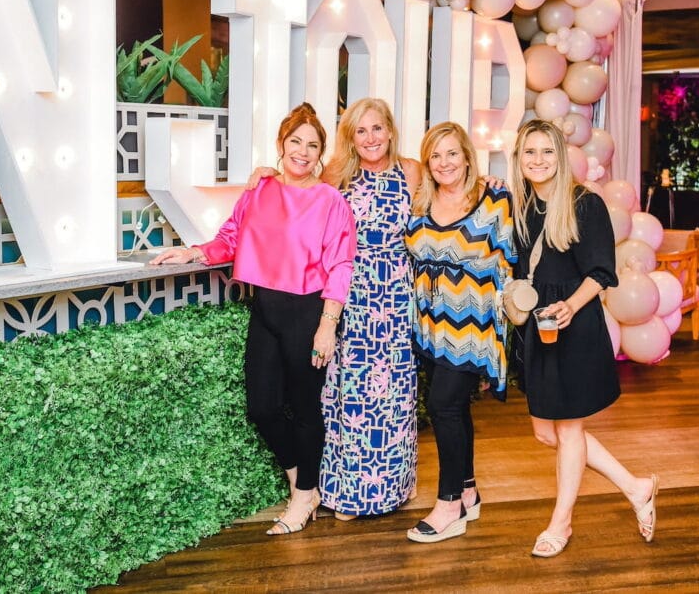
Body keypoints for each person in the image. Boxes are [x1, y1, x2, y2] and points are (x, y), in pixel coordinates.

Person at [149, 103, 356, 536]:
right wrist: (195, 252)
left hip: (307, 311)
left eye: (312, 145)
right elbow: (232, 237)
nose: (302, 151)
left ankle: (303, 495)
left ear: (321, 153)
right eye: (295, 141)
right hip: (264, 309)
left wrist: (327, 323)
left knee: (304, 409)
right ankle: (303, 483)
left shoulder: (330, 200)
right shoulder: (259, 190)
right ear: (282, 144)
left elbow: (341, 264)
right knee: (261, 407)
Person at [508, 118, 659, 558]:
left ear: (561, 155)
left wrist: (571, 306)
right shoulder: (520, 205)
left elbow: (601, 272)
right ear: (519, 157)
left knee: (570, 430)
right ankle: (636, 486)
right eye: (529, 152)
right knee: (545, 431)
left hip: (572, 325)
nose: (538, 161)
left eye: (547, 152)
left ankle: (561, 523)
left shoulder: (583, 204)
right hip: (537, 327)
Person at [403, 121, 515, 543]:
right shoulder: (421, 201)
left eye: (452, 153)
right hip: (431, 324)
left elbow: (509, 262)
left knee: (443, 405)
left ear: (468, 156)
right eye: (435, 155)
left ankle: (448, 503)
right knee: (455, 409)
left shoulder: (494, 197)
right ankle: (468, 491)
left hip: (474, 322)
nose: (444, 162)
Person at [316, 98, 422, 520]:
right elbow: (299, 193)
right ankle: (350, 494)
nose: (371, 138)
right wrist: (264, 174)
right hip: (352, 293)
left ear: (391, 131)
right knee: (352, 391)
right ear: (351, 137)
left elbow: (455, 190)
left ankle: (394, 487)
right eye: (361, 131)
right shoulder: (336, 174)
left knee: (396, 392)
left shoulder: (412, 171)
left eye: (377, 128)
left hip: (396, 293)